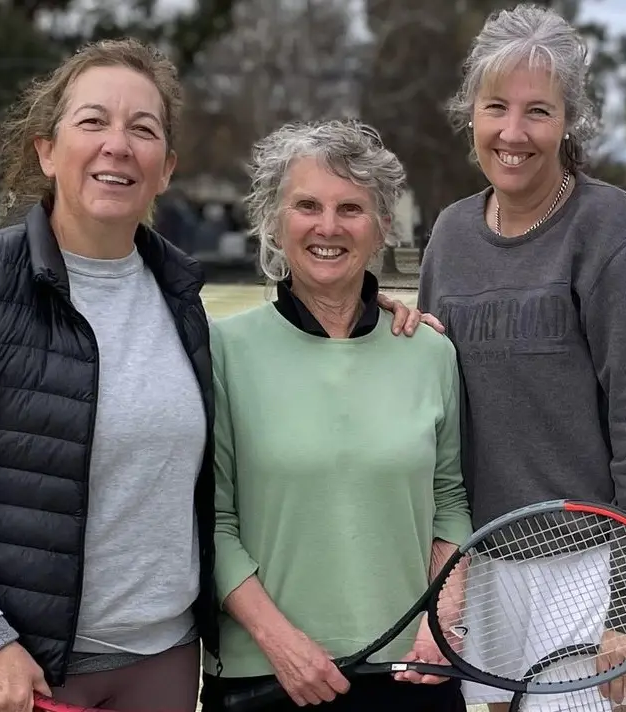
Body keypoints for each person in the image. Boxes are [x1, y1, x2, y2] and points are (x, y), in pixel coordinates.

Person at [0, 40, 431, 712]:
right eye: (92, 122)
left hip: (162, 667)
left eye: (142, 129)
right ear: (46, 151)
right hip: (14, 672)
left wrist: (365, 305)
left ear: (166, 167)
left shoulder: (181, 298)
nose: (117, 144)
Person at [418, 4, 626, 709]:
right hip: (482, 566)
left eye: (537, 111)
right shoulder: (450, 234)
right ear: (470, 115)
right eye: (495, 108)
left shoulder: (611, 229)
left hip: (590, 569)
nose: (513, 134)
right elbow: (433, 397)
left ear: (569, 120)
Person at [197, 119, 474, 712]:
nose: (328, 226)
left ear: (381, 228)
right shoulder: (223, 350)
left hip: (412, 673)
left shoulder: (430, 352)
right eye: (307, 205)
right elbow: (211, 521)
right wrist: (282, 644)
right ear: (275, 221)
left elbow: (449, 501)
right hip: (266, 677)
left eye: (351, 208)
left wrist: (442, 616)